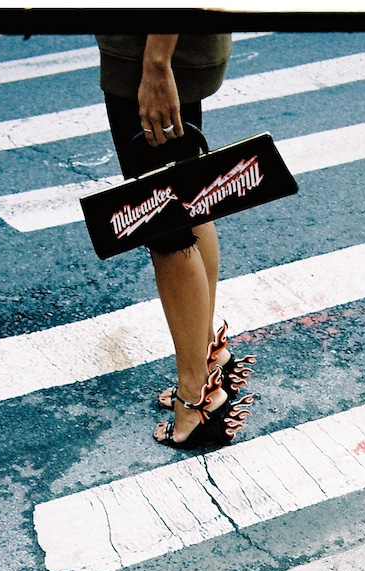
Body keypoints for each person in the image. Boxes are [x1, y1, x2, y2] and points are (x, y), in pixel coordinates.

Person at [96, 33, 255, 448]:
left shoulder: (153, 65)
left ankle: (196, 397)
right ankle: (206, 358)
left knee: (162, 223)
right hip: (166, 52)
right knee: (188, 199)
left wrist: (156, 65)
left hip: (149, 55)